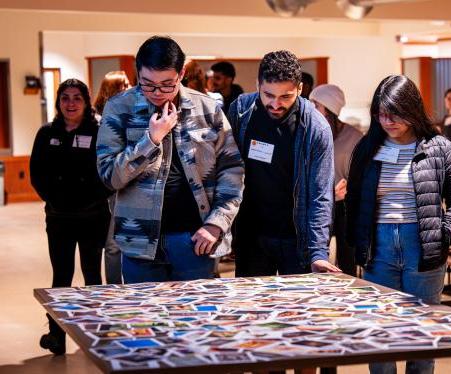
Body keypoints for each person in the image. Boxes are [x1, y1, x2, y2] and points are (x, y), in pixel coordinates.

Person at [346, 74, 451, 374]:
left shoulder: (438, 147)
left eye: (396, 113)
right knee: (381, 332)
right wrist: (358, 240)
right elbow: (354, 199)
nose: (388, 121)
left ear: (412, 109)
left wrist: (443, 234)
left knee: (423, 335)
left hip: (423, 248)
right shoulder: (367, 148)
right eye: (382, 113)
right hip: (380, 248)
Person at [97, 36, 244, 284]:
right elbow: (110, 177)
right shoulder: (118, 108)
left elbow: (232, 171)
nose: (157, 93)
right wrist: (150, 140)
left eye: (167, 84)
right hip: (138, 240)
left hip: (195, 239)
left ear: (182, 73)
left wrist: (218, 223)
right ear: (137, 72)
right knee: (144, 320)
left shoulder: (207, 109)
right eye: (148, 84)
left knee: (195, 319)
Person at [228, 50, 339, 276]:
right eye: (268, 95)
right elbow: (226, 171)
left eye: (285, 97)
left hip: (295, 239)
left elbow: (321, 194)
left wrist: (318, 252)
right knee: (251, 307)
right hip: (252, 235)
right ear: (257, 84)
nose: (275, 104)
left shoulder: (316, 128)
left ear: (299, 89)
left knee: (297, 308)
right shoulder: (241, 111)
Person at [31, 79, 112, 355]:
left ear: (86, 101)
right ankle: (56, 336)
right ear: (58, 101)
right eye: (65, 98)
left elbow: (106, 171)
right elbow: (37, 173)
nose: (71, 103)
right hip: (59, 216)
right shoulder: (47, 133)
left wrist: (92, 198)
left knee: (92, 275)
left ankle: (96, 334)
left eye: (77, 98)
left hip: (92, 215)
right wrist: (53, 198)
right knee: (61, 276)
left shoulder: (99, 130)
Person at [309, 83, 362, 276]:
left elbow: (362, 174)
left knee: (347, 256)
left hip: (345, 206)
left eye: (316, 105)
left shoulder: (354, 137)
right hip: (317, 202)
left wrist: (351, 186)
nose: (311, 109)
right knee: (317, 254)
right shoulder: (311, 133)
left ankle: (348, 292)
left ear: (329, 109)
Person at [93, 70, 131, 285]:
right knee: (113, 244)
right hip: (110, 186)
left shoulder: (134, 110)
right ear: (111, 89)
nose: (128, 87)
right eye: (122, 84)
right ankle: (114, 286)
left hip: (130, 182)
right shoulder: (99, 117)